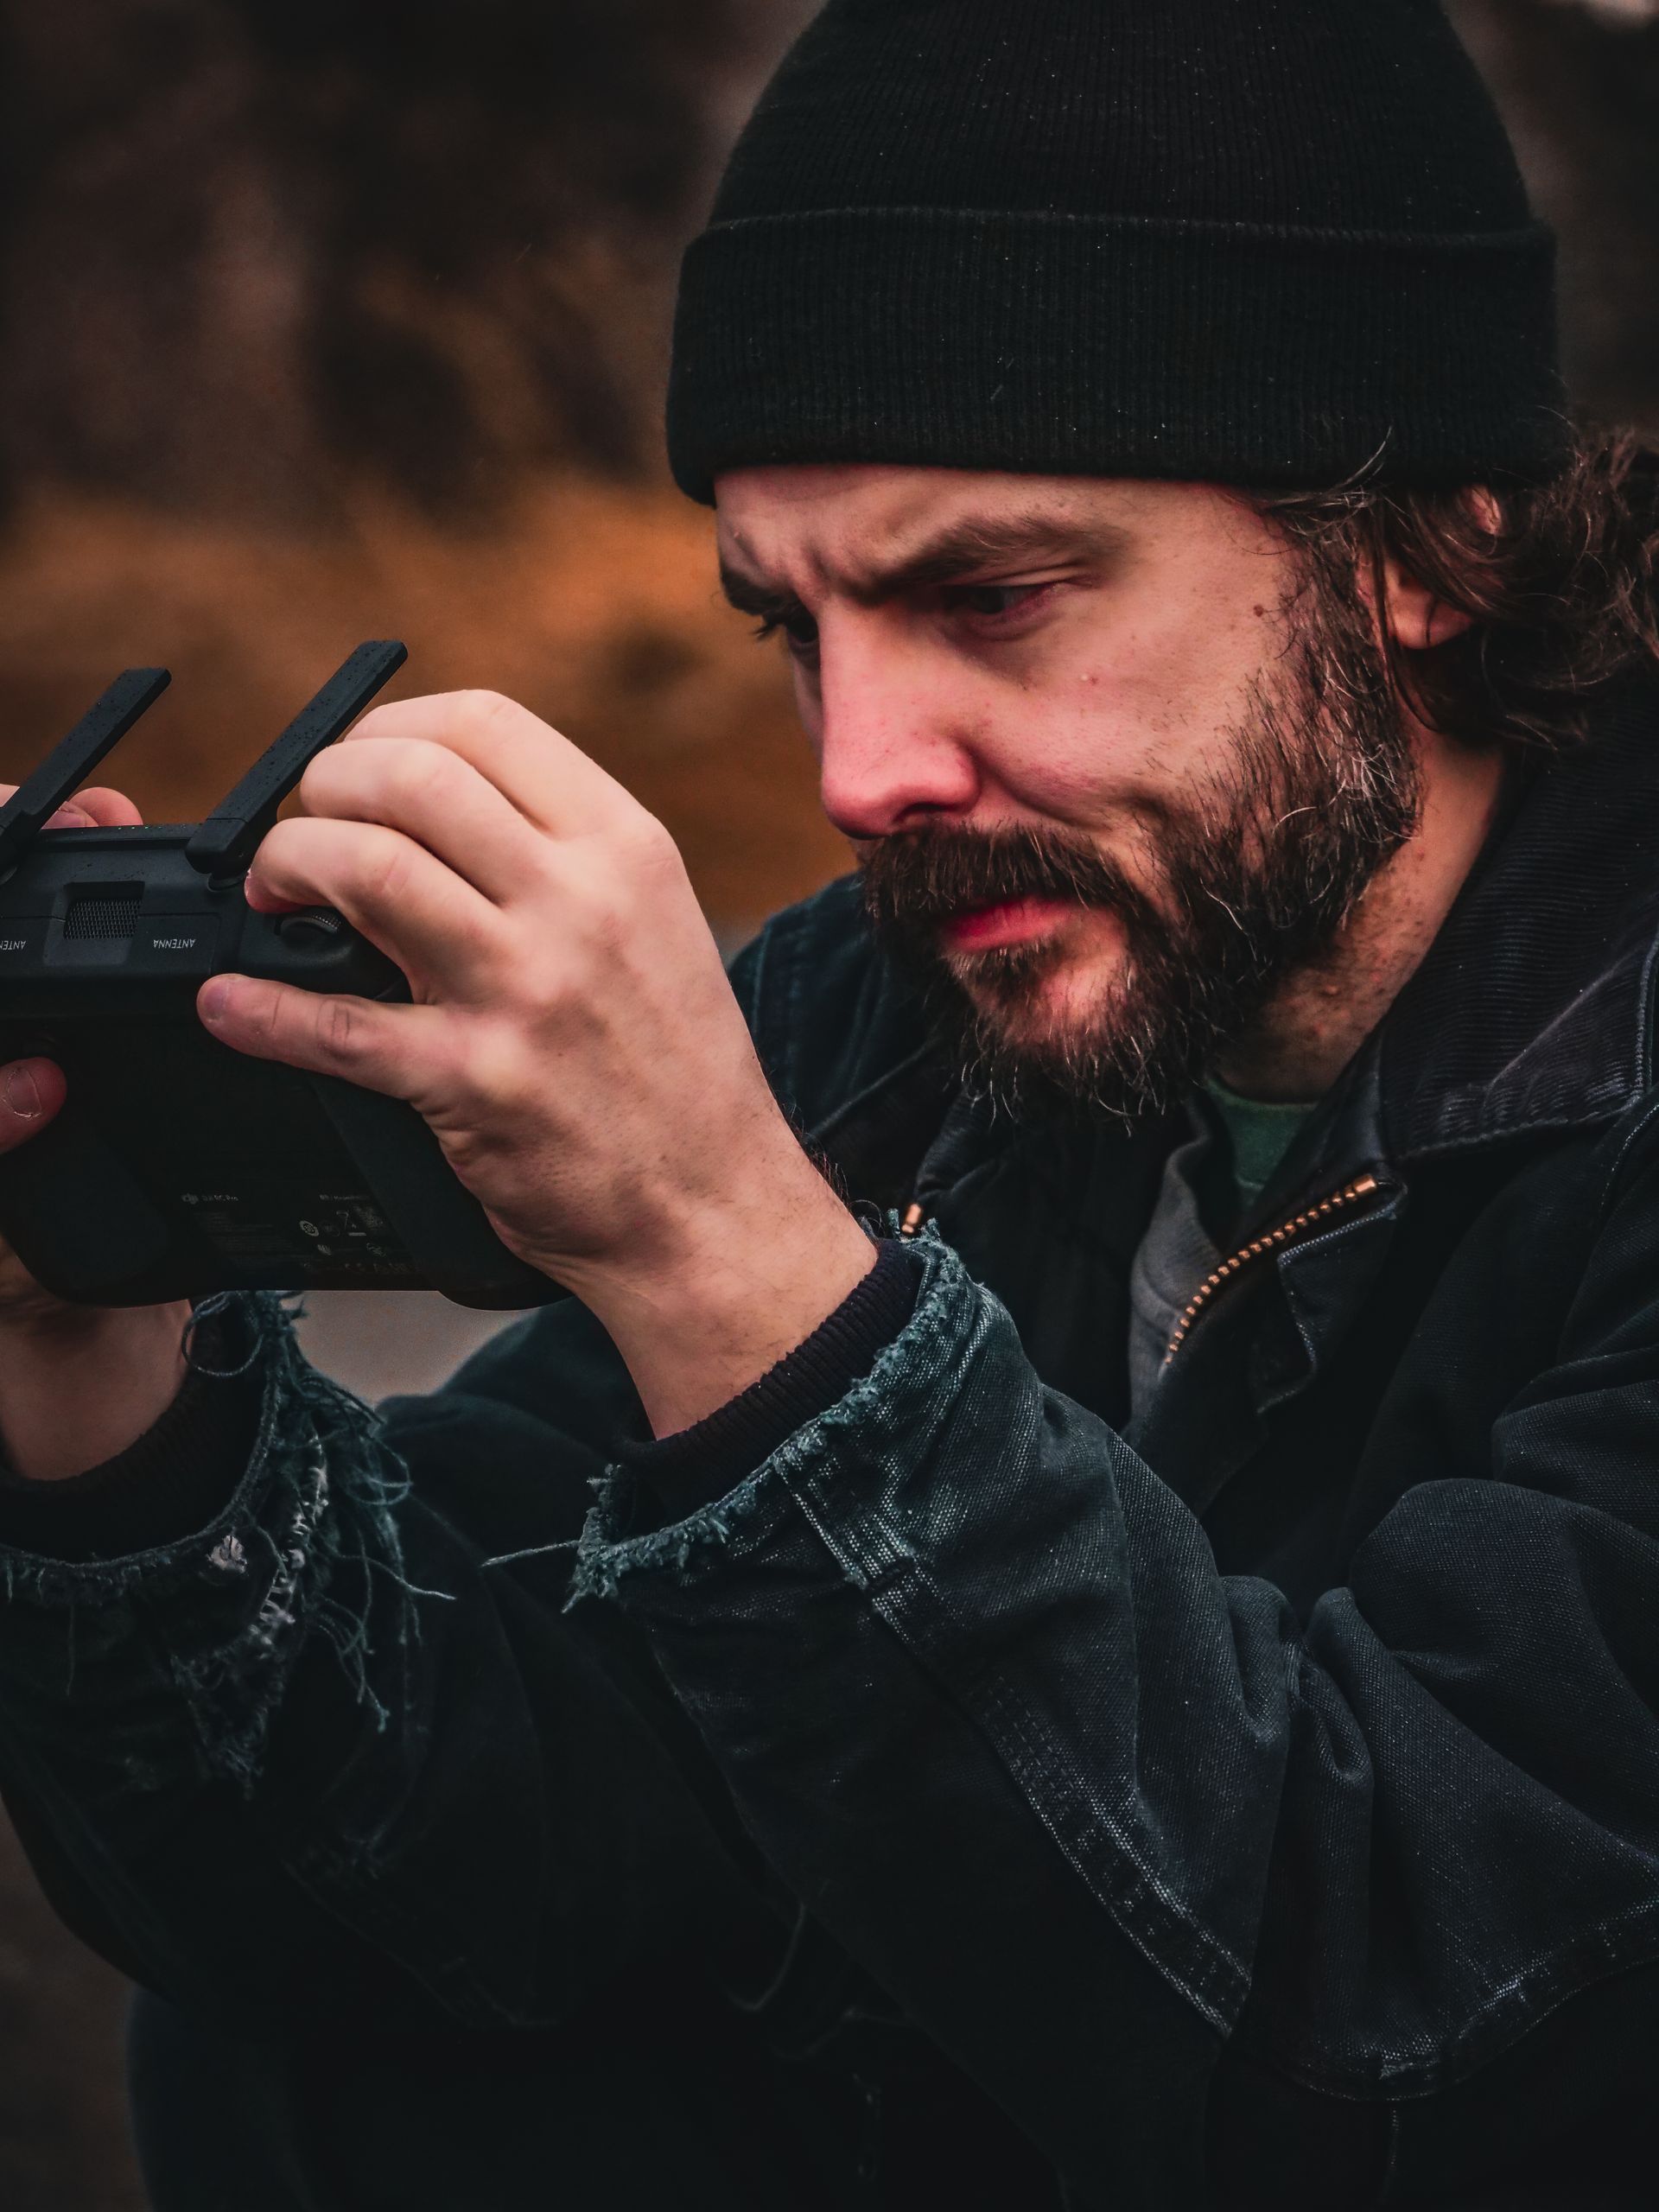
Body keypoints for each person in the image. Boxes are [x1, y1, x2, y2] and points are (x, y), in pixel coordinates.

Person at [1, 0, 1656, 2203]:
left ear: (1425, 547)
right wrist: (91, 1349)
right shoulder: (903, 1017)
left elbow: (1390, 2039)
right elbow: (449, 1853)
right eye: (794, 626)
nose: (857, 773)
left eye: (991, 594)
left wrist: (726, 1252)